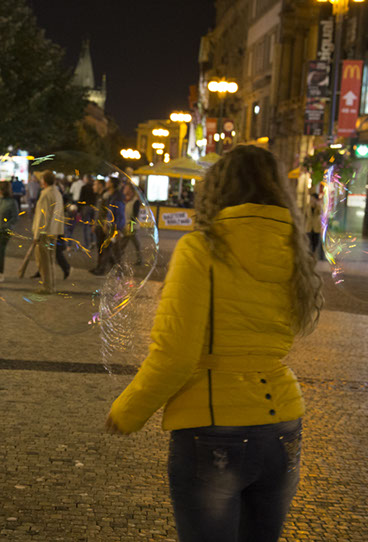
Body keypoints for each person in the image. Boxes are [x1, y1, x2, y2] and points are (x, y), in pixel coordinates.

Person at [106, 146, 322, 542]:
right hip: (283, 425)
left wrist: (128, 410)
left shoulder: (201, 248)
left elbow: (176, 355)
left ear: (218, 190)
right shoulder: (295, 251)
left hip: (214, 428)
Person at [31, 170, 65, 294]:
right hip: (53, 231)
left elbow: (42, 216)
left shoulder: (45, 194)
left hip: (44, 232)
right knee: (50, 260)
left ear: (44, 181)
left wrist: (37, 234)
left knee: (43, 261)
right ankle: (51, 285)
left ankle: (47, 286)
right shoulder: (57, 192)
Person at [91, 176, 126, 275]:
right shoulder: (112, 196)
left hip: (114, 227)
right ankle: (116, 270)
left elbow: (119, 214)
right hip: (110, 226)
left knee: (111, 249)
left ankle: (106, 269)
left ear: (112, 184)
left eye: (108, 182)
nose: (106, 183)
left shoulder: (117, 197)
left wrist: (117, 229)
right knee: (112, 249)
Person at [0, 180, 19, 282]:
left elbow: (15, 217)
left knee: (1, 250)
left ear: (2, 189)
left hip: (4, 231)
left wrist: (6, 226)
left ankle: (0, 273)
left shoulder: (12, 202)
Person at [120, 182, 143, 265]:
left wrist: (130, 226)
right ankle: (139, 259)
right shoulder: (125, 200)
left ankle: (117, 258)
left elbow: (134, 215)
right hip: (126, 225)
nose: (124, 189)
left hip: (132, 225)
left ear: (130, 190)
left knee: (123, 243)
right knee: (134, 242)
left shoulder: (135, 201)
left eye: (126, 188)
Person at [304, 192, 322, 258]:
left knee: (315, 243)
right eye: (311, 198)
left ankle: (313, 255)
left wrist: (317, 205)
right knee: (308, 242)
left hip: (316, 228)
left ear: (316, 199)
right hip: (308, 227)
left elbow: (320, 212)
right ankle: (308, 256)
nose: (312, 200)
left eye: (313, 199)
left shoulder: (319, 206)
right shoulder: (308, 206)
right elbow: (306, 215)